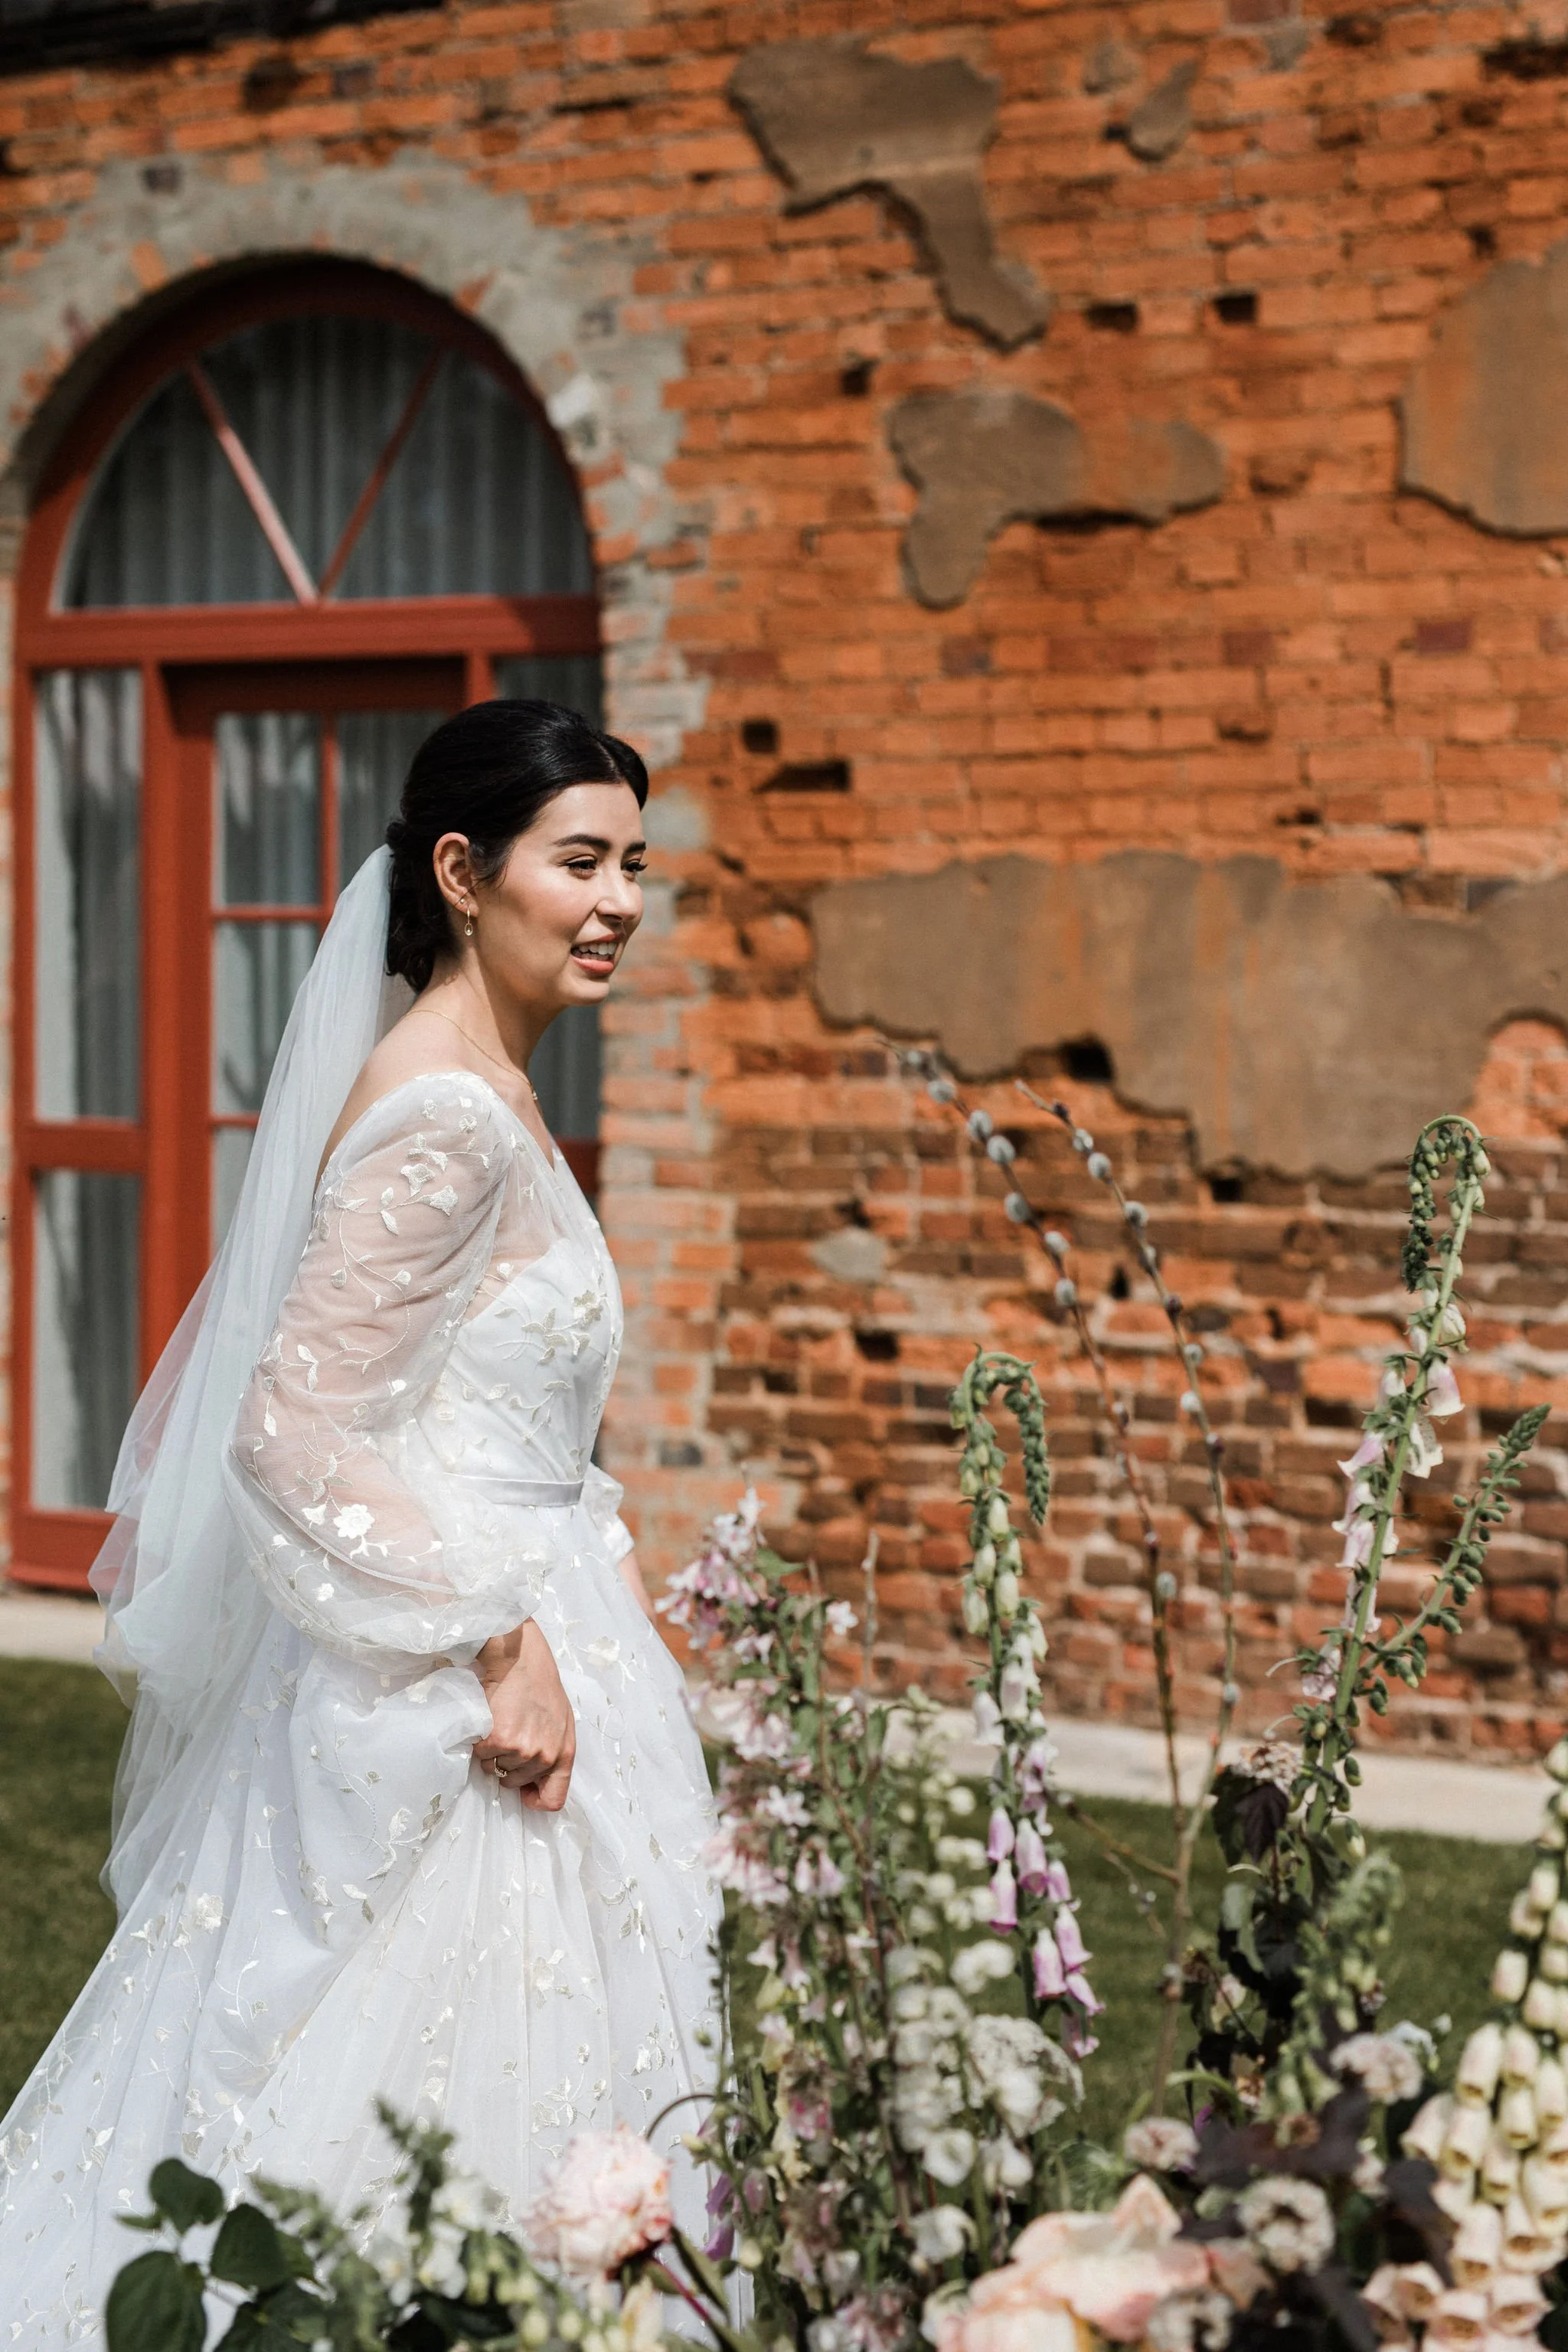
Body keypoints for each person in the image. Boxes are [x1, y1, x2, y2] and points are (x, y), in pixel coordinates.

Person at [0, 701, 720, 2344]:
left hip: (529, 1617)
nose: (616, 900)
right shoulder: (448, 1115)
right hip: (467, 1678)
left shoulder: (484, 1086)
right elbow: (295, 1426)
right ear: (463, 872)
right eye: (581, 862)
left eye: (634, 866)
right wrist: (497, 1640)